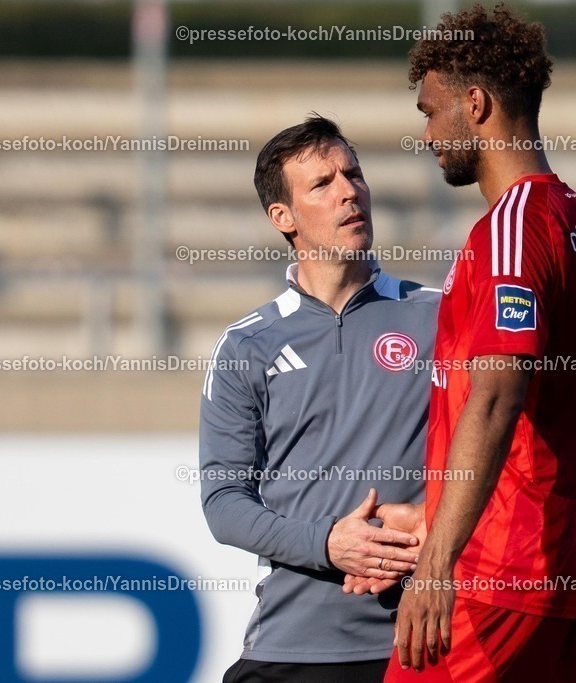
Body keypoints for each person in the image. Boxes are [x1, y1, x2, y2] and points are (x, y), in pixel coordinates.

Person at [377, 4, 576, 681]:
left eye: (431, 111)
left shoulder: (512, 232)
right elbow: (554, 391)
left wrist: (435, 567)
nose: (426, 131)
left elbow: (495, 400)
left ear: (477, 104)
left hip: (502, 571)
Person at [199, 115, 440, 683]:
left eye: (353, 174)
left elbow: (521, 428)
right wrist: (327, 543)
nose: (348, 191)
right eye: (322, 184)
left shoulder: (441, 315)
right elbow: (224, 503)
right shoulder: (247, 344)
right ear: (283, 217)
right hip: (294, 646)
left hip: (422, 641)